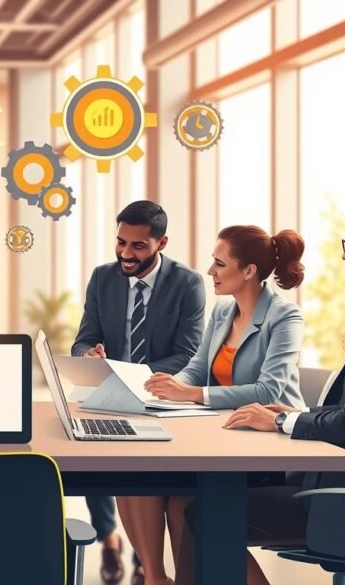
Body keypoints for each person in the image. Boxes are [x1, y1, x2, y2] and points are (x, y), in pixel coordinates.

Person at [181, 200, 345, 585]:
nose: (344, 256)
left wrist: (283, 420)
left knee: (204, 513)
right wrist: (286, 415)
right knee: (207, 502)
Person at [118, 225, 307, 585]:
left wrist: (193, 394)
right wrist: (165, 387)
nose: (211, 272)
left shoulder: (284, 317)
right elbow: (197, 368)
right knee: (131, 477)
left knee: (180, 501)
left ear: (249, 271)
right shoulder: (223, 311)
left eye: (220, 263)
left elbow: (269, 389)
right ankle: (157, 578)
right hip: (223, 436)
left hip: (269, 444)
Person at [72, 200, 206, 584]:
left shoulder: (188, 283)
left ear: (161, 243)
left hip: (162, 398)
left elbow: (189, 353)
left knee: (150, 480)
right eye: (120, 243)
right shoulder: (103, 278)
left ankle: (154, 570)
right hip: (113, 396)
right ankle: (149, 568)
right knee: (111, 467)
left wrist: (132, 375)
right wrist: (90, 354)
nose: (126, 254)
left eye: (138, 246)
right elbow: (84, 339)